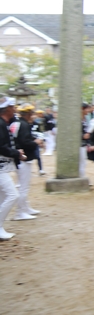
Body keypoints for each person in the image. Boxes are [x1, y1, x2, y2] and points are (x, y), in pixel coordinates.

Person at [10, 103, 42, 220]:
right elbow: (25, 142)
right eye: (32, 113)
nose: (33, 115)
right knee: (23, 186)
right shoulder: (23, 125)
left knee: (23, 185)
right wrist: (35, 142)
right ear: (28, 114)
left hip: (20, 157)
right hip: (23, 157)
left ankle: (25, 208)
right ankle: (19, 212)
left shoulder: (17, 123)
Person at [0, 97, 23, 240]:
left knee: (3, 196)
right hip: (0, 167)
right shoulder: (1, 124)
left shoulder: (4, 123)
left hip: (3, 165)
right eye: (13, 107)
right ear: (7, 109)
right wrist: (16, 153)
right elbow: (1, 147)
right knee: (13, 195)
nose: (14, 109)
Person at [31, 110, 46, 175]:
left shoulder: (36, 124)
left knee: (38, 156)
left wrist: (41, 142)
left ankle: (41, 169)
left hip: (35, 142)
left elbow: (40, 133)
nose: (33, 116)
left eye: (34, 115)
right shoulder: (25, 124)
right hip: (27, 142)